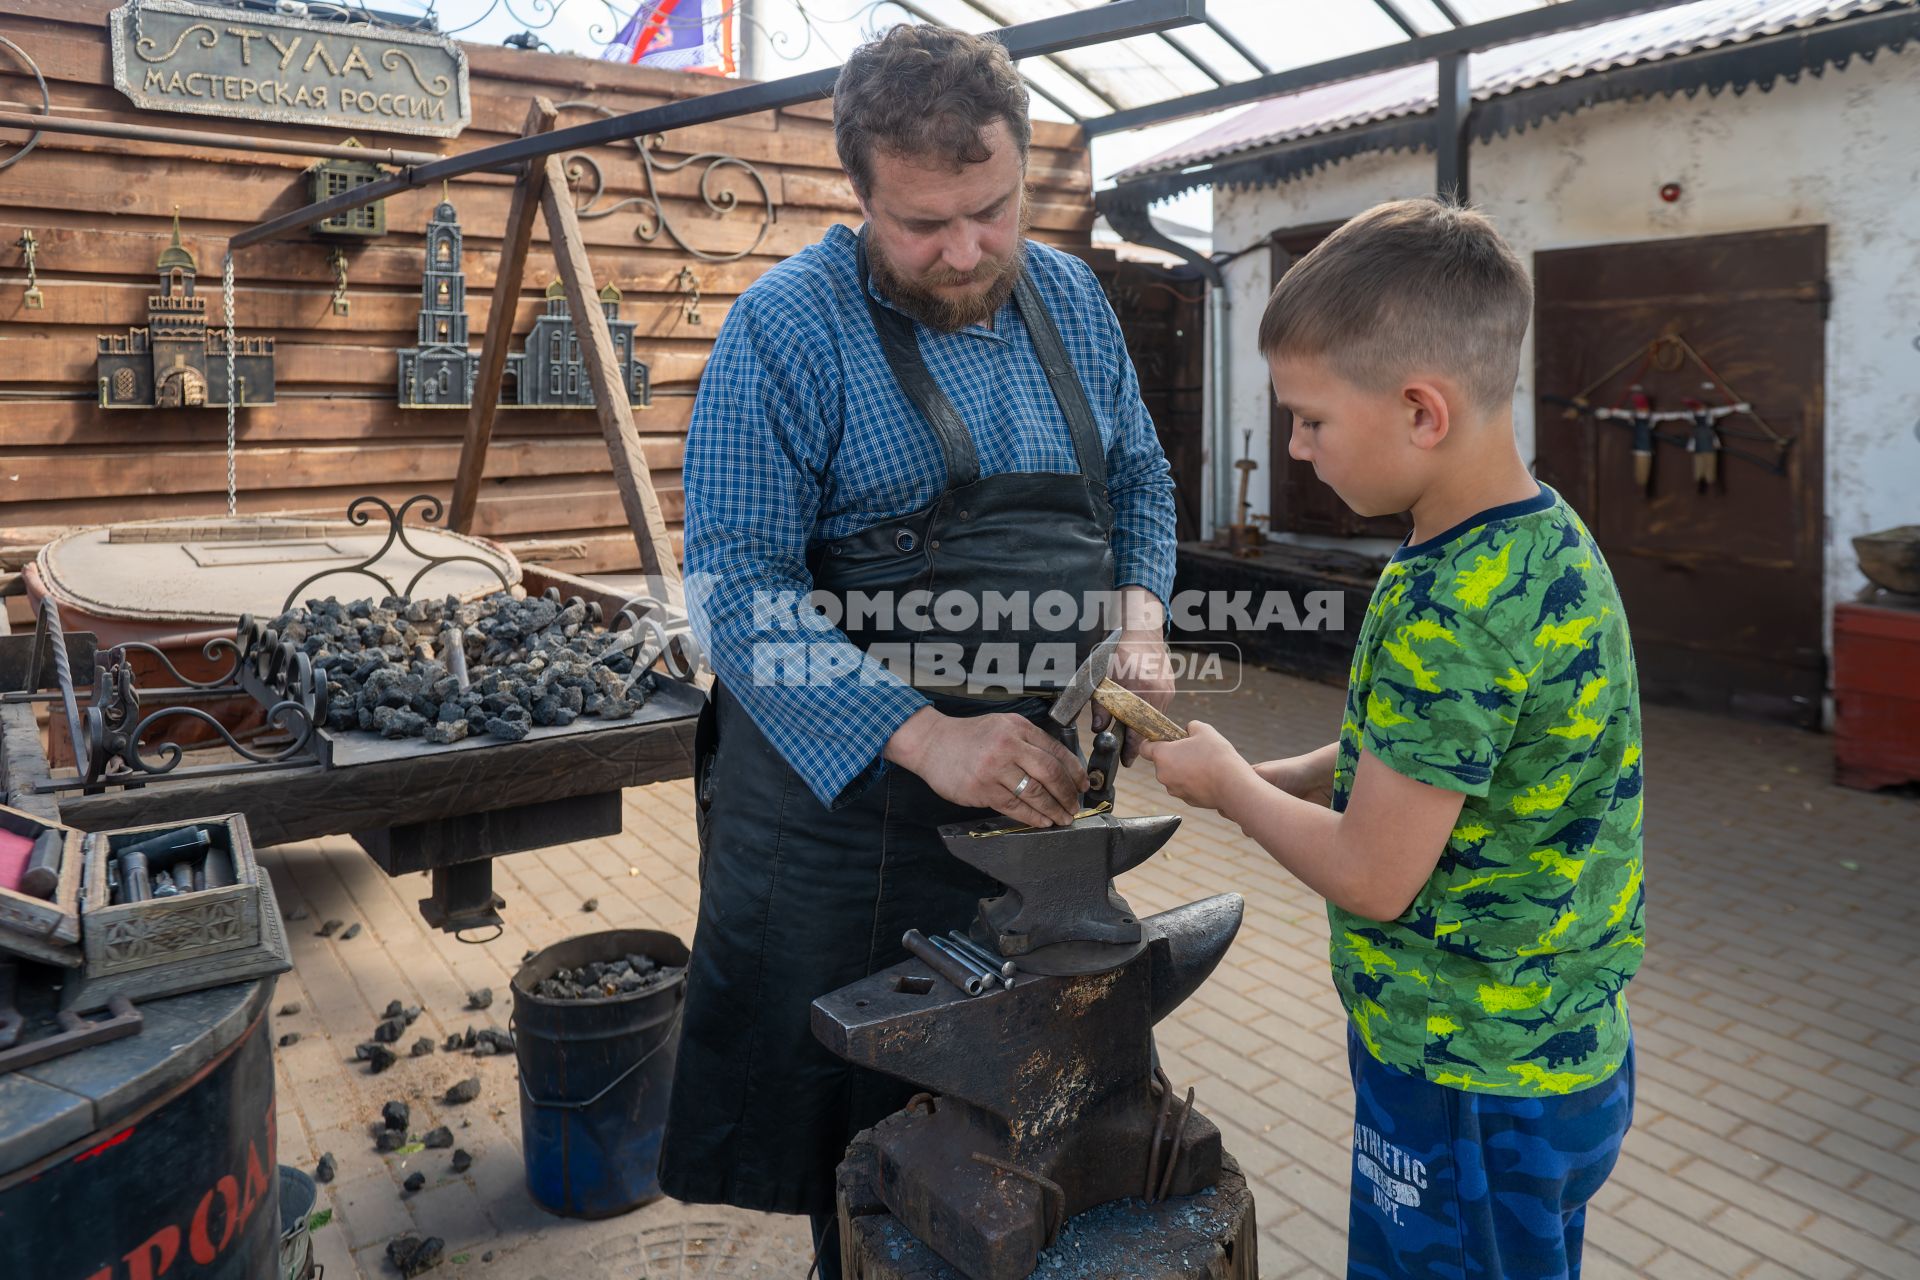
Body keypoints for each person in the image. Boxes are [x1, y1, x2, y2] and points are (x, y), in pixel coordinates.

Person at [657, 23, 1179, 1277]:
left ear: (1022, 167)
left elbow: (1144, 481)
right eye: (923, 224)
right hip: (847, 838)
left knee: (1034, 1137)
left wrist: (1140, 606)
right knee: (871, 1173)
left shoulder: (1070, 299)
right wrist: (926, 732)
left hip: (1029, 823)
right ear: (860, 195)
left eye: (991, 210)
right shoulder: (784, 330)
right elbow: (736, 591)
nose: (966, 250)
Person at [1142, 199, 1645, 1280]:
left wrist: (1233, 788)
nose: (1295, 445)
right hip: (1554, 1062)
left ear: (1422, 410)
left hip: (1470, 1075)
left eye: (1313, 418)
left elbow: (1374, 873)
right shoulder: (1535, 542)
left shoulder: (1451, 608)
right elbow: (1444, 755)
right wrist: (1273, 772)